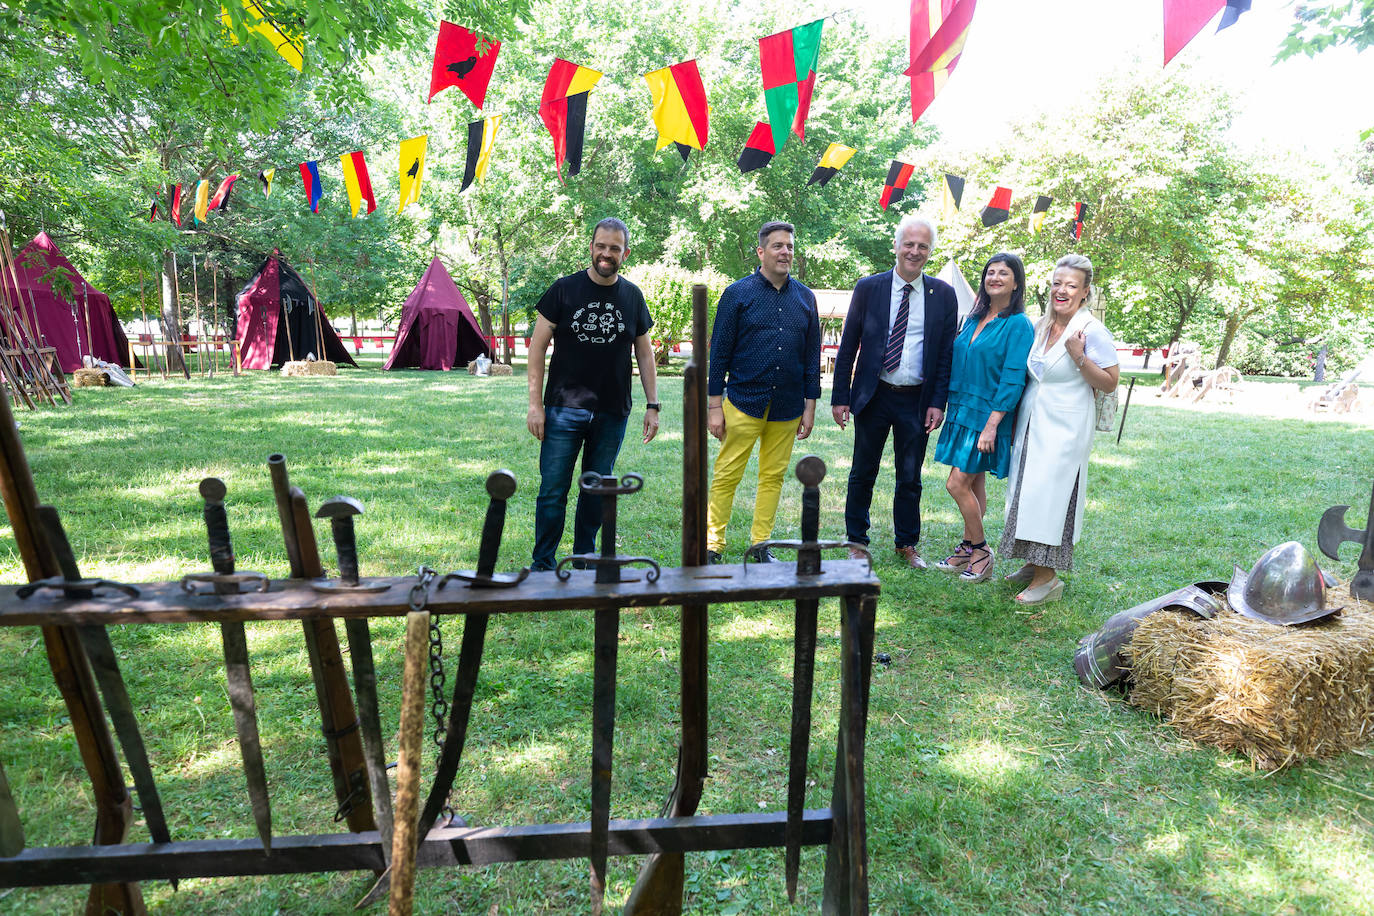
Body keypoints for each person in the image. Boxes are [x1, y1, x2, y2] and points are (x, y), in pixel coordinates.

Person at [526, 217, 660, 571]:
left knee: (596, 490)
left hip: (612, 411)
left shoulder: (632, 296)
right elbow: (537, 347)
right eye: (601, 246)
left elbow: (644, 353)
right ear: (591, 247)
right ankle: (543, 563)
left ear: (625, 253)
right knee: (553, 490)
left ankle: (584, 559)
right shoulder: (564, 289)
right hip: (562, 409)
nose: (606, 253)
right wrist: (535, 405)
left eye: (614, 248)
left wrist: (653, 405)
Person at [830, 215, 957, 569]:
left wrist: (938, 402)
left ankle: (907, 543)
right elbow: (849, 344)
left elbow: (946, 353)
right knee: (862, 471)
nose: (914, 252)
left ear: (930, 251)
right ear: (897, 246)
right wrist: (841, 396)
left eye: (922, 246)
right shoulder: (868, 287)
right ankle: (856, 540)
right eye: (909, 244)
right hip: (874, 394)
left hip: (916, 400)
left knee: (910, 476)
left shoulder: (943, 295)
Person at [999, 253, 1120, 604]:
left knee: (1049, 499)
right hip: (1032, 421)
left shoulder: (1091, 331)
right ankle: (1031, 563)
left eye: (1071, 285)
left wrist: (1079, 355)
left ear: (1085, 293)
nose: (1061, 290)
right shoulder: (1041, 325)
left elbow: (1110, 382)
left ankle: (1048, 579)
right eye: (1056, 283)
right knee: (1025, 491)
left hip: (1064, 428)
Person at [705, 220, 821, 564]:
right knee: (727, 474)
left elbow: (812, 355)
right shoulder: (737, 294)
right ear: (761, 251)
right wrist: (714, 406)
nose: (785, 252)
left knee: (772, 477)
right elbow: (719, 353)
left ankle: (760, 545)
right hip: (742, 402)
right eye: (777, 246)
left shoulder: (806, 298)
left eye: (789, 247)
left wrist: (810, 405)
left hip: (787, 406)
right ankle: (712, 545)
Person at [931, 253, 1035, 581]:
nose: (995, 278)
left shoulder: (1018, 324)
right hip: (963, 410)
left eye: (1003, 274)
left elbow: (1014, 377)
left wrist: (992, 425)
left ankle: (981, 551)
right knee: (973, 482)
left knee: (956, 483)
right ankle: (965, 547)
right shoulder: (973, 318)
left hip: (988, 415)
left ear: (1016, 283)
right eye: (990, 272)